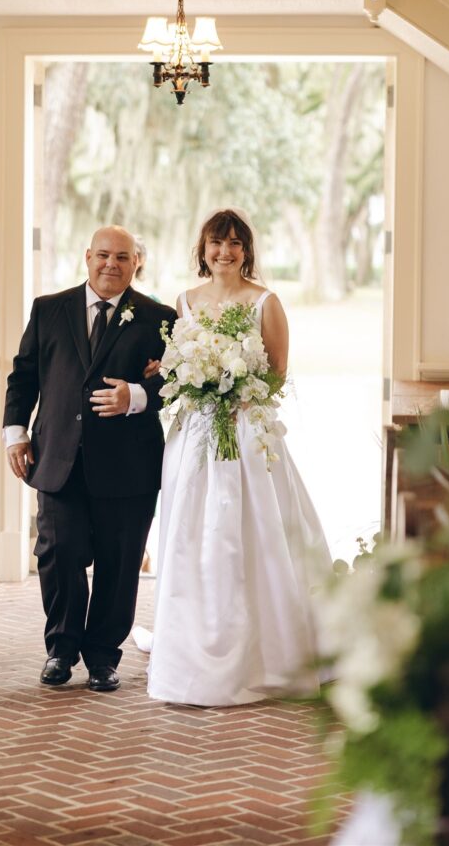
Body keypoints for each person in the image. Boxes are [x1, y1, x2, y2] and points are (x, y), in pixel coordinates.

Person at [146, 208, 333, 706]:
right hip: (196, 435)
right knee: (194, 533)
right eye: (215, 243)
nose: (224, 252)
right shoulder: (184, 302)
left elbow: (276, 373)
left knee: (256, 532)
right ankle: (194, 647)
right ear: (202, 250)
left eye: (234, 243)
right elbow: (171, 365)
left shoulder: (265, 302)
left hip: (249, 432)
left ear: (246, 250)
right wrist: (197, 378)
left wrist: (236, 390)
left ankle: (271, 649)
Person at [3, 226, 177, 693]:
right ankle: (61, 649)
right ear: (87, 257)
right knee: (57, 554)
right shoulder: (48, 310)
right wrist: (15, 434)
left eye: (122, 257)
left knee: (119, 564)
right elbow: (23, 378)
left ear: (136, 262)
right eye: (103, 255)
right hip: (57, 457)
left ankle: (103, 657)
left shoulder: (159, 317)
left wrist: (137, 394)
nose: (111, 264)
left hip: (129, 465)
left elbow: (180, 381)